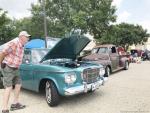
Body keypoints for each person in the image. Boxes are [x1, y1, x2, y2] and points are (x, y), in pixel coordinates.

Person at [1, 31, 31, 113]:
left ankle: (15, 103)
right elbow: (3, 53)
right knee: (9, 87)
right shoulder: (14, 43)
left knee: (18, 83)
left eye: (28, 37)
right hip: (8, 67)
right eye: (27, 37)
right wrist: (0, 63)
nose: (28, 38)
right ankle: (4, 108)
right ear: (21, 37)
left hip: (15, 68)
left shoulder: (22, 45)